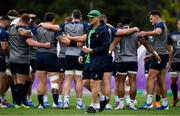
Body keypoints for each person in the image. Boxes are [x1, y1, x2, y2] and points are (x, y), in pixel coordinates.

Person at [110, 17, 161, 110]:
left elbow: (114, 43)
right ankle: (132, 104)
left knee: (120, 82)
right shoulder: (136, 33)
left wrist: (109, 51)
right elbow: (146, 44)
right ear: (131, 23)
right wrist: (155, 54)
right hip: (133, 61)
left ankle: (121, 104)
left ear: (123, 24)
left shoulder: (120, 33)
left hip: (122, 61)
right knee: (132, 82)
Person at [40, 9, 87, 109]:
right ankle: (79, 104)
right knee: (78, 80)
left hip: (68, 55)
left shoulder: (65, 25)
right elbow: (84, 39)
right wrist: (78, 42)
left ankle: (66, 102)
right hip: (79, 55)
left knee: (68, 79)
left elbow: (50, 26)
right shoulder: (84, 25)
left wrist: (41, 23)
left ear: (72, 16)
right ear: (81, 17)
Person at [8, 13, 50, 108]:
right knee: (21, 82)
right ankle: (20, 103)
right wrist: (44, 45)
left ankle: (16, 102)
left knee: (15, 81)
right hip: (22, 58)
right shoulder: (24, 30)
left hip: (12, 58)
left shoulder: (11, 28)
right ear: (26, 21)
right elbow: (30, 42)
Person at [139, 10, 170, 110]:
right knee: (161, 81)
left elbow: (158, 32)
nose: (150, 21)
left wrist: (145, 33)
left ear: (156, 16)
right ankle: (165, 104)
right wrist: (151, 55)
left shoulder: (160, 25)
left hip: (160, 56)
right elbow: (159, 44)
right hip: (162, 55)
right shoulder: (161, 25)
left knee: (150, 78)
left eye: (151, 18)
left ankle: (148, 102)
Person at [168, 19, 180, 107]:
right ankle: (175, 97)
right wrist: (169, 63)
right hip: (175, 61)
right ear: (177, 25)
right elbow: (170, 50)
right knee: (173, 82)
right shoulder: (172, 35)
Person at [0, 16, 10, 108]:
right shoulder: (3, 32)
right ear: (4, 21)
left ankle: (2, 99)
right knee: (1, 79)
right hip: (1, 58)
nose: (9, 23)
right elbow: (4, 47)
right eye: (8, 21)